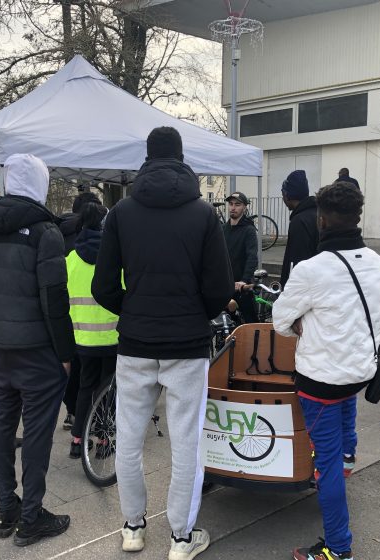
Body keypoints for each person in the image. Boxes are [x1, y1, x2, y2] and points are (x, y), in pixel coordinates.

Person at [92, 126, 233, 560]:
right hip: (187, 346)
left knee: (129, 442)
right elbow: (220, 286)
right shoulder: (204, 215)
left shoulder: (121, 213)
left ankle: (133, 528)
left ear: (147, 158)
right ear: (182, 157)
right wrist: (195, 315)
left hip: (135, 343)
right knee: (186, 444)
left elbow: (102, 286)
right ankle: (180, 538)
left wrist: (133, 310)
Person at [272, 182, 380, 560]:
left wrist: (301, 325)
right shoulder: (376, 262)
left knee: (326, 465)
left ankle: (338, 549)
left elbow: (279, 320)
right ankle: (348, 459)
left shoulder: (311, 270)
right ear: (357, 218)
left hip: (320, 380)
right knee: (343, 428)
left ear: (321, 220)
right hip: (359, 372)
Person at [0, 153, 75, 547]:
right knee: (36, 434)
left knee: (1, 427)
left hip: (0, 346)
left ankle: (5, 507)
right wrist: (65, 352)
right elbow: (54, 298)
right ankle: (31, 516)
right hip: (38, 350)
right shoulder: (45, 231)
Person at [66, 202, 118, 459]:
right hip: (112, 336)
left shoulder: (71, 259)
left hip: (82, 337)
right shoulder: (114, 256)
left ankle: (77, 440)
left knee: (85, 387)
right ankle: (104, 439)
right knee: (108, 390)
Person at [58, 190, 102, 432]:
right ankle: (97, 420)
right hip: (104, 328)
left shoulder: (57, 236)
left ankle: (73, 413)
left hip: (71, 321)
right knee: (97, 377)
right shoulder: (105, 245)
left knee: (74, 372)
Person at [222, 191, 258, 323]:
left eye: (237, 204)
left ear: (244, 207)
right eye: (231, 204)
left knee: (251, 324)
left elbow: (252, 256)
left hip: (242, 287)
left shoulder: (248, 230)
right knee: (224, 325)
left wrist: (244, 280)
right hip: (225, 286)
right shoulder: (223, 229)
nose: (233, 207)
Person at [280, 170, 319, 287]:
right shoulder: (317, 213)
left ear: (287, 195)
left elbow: (297, 261)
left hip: (303, 289)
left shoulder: (299, 221)